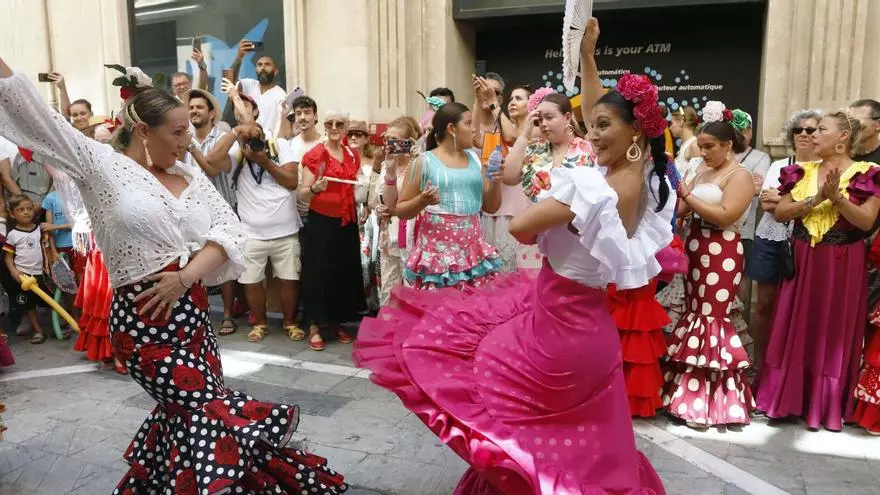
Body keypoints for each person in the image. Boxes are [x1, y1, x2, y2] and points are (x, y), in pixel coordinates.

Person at [0, 59, 348, 493]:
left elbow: (228, 230)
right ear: (144, 130)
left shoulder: (186, 173)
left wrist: (185, 277)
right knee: (205, 411)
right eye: (178, 133)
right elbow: (32, 111)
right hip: (143, 320)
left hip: (193, 316)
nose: (188, 143)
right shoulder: (98, 164)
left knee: (190, 420)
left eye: (189, 130)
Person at [353, 65, 672, 494]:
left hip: (557, 334)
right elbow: (603, 122)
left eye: (602, 126)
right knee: (583, 440)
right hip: (592, 329)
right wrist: (590, 60)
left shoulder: (592, 188)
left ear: (634, 131)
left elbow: (522, 226)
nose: (591, 135)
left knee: (480, 384)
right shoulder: (639, 181)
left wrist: (554, 206)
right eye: (589, 125)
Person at [756, 111, 880, 432]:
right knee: (795, 323)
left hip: (843, 262)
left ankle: (825, 404)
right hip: (803, 256)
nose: (812, 135)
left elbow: (866, 222)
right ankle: (787, 398)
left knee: (834, 328)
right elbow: (782, 213)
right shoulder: (800, 170)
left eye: (821, 130)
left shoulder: (869, 173)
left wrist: (838, 199)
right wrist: (816, 198)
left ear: (842, 138)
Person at [663, 101, 756, 429]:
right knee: (693, 314)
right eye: (701, 147)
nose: (703, 153)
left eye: (710, 147)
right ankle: (685, 394)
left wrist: (688, 197)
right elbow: (686, 209)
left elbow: (727, 214)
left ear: (728, 145)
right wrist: (680, 205)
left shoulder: (740, 175)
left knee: (712, 318)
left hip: (723, 250)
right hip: (694, 246)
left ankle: (713, 402)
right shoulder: (702, 170)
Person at [388, 102, 503, 290]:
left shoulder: (475, 159)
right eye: (468, 124)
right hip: (437, 261)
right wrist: (422, 200)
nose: (474, 130)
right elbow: (400, 210)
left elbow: (491, 207)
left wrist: (496, 180)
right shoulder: (424, 162)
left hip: (472, 256)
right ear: (451, 128)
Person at [745, 109, 822, 372]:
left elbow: (822, 207)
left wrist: (787, 201)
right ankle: (760, 364)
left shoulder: (824, 170)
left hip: (805, 242)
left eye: (810, 130)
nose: (803, 134)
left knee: (794, 307)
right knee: (764, 304)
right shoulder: (780, 165)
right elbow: (767, 204)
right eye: (797, 130)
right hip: (771, 238)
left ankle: (787, 367)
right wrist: (808, 203)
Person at [298, 111, 366, 351]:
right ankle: (315, 326)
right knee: (318, 274)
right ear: (324, 126)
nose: (334, 127)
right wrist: (315, 189)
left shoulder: (351, 154)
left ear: (346, 126)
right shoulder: (316, 155)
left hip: (346, 222)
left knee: (341, 273)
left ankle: (335, 321)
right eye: (330, 123)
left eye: (340, 123)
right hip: (322, 223)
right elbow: (302, 193)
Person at [473, 80, 536, 273]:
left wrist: (493, 103)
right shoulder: (499, 129)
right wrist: (477, 101)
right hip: (494, 211)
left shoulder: (535, 130)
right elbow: (476, 138)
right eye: (511, 98)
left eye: (519, 98)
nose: (512, 102)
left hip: (519, 213)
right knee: (495, 274)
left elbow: (512, 137)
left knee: (518, 275)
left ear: (532, 105)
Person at [503, 89, 596, 202]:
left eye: (549, 117)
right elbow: (508, 177)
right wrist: (525, 134)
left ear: (567, 117)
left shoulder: (588, 149)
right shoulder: (535, 149)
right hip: (537, 217)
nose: (543, 124)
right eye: (540, 120)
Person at [372, 116, 421, 305]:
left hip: (411, 236)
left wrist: (419, 157)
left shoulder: (418, 164)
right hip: (388, 237)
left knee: (412, 292)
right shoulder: (385, 165)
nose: (390, 145)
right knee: (389, 291)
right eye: (387, 139)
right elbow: (377, 198)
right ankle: (389, 332)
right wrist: (379, 208)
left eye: (396, 140)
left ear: (408, 142)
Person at [732, 110, 772, 323]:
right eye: (739, 129)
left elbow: (759, 188)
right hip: (715, 227)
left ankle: (740, 331)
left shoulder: (761, 157)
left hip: (744, 230)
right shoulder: (721, 151)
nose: (743, 133)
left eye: (747, 129)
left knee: (740, 282)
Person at [3, 194, 48, 344]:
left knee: (49, 300)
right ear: (12, 214)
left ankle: (59, 325)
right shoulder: (13, 235)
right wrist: (14, 272)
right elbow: (8, 258)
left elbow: (46, 249)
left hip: (41, 274)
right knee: (29, 306)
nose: (26, 212)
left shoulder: (39, 230)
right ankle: (38, 331)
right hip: (24, 276)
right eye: (21, 209)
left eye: (29, 208)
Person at [349, 119, 381, 311]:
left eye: (358, 134)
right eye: (350, 134)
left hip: (370, 216)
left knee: (371, 260)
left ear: (366, 138)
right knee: (357, 260)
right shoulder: (343, 159)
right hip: (350, 212)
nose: (353, 137)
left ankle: (373, 303)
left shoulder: (373, 160)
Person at [231, 41, 287, 136]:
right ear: (256, 69)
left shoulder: (281, 95)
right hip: (246, 139)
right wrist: (239, 57)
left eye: (267, 64)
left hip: (268, 143)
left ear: (276, 71)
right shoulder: (249, 84)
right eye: (259, 65)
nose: (263, 68)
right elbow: (229, 82)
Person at [671, 106, 700, 174]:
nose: (670, 127)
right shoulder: (685, 144)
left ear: (681, 121)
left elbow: (699, 176)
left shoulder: (694, 145)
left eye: (671, 123)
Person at [850, 99, 880, 163]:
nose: (851, 126)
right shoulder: (840, 155)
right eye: (848, 121)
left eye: (857, 122)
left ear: (878, 125)